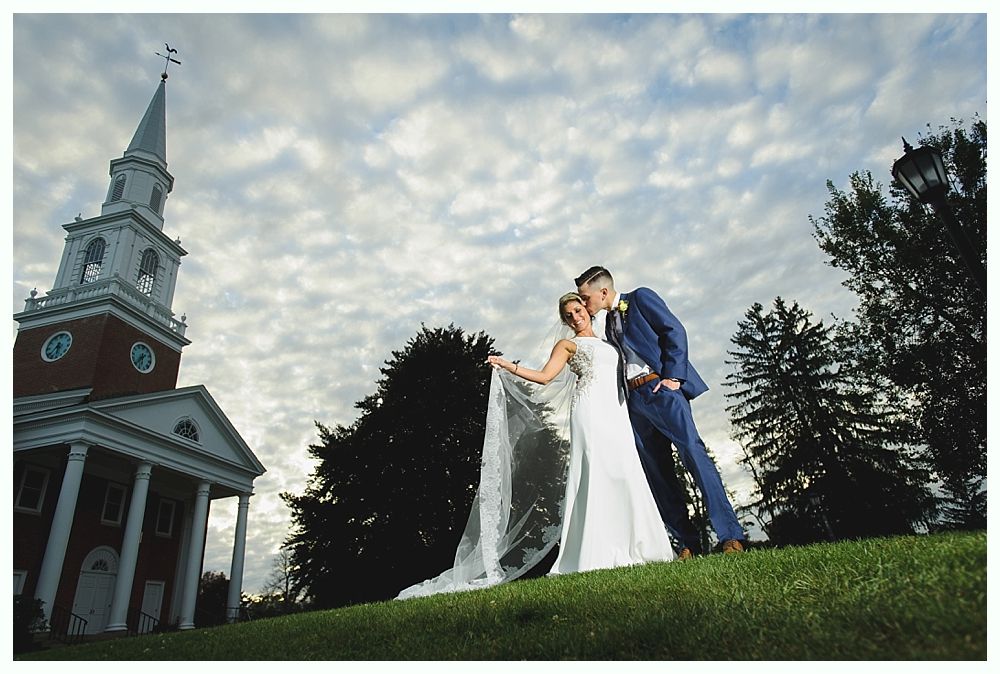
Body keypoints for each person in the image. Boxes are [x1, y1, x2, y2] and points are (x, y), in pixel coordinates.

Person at [396, 293, 673, 600]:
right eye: (568, 315)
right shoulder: (568, 346)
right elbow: (543, 377)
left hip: (617, 413)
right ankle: (597, 551)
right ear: (564, 320)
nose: (574, 317)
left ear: (587, 310)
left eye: (577, 310)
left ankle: (641, 544)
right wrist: (508, 365)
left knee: (625, 471)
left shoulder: (610, 342)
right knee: (597, 473)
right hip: (590, 412)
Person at [575, 266, 746, 557]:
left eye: (585, 297)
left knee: (694, 454)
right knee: (658, 474)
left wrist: (673, 378)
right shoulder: (601, 324)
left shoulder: (640, 298)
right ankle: (687, 543)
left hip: (661, 390)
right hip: (633, 402)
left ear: (603, 292)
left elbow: (674, 330)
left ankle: (730, 536)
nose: (583, 303)